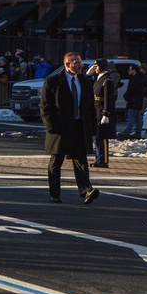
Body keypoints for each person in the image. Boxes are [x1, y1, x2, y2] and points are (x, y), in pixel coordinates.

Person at [39, 51, 100, 204]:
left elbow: (89, 106)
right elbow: (45, 107)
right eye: (77, 63)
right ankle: (55, 193)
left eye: (80, 63)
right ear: (67, 64)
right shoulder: (53, 81)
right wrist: (51, 127)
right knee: (56, 160)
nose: (80, 66)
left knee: (81, 159)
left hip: (79, 126)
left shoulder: (84, 81)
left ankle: (86, 190)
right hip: (60, 128)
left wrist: (93, 127)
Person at [89, 58, 115, 168]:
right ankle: (98, 158)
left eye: (96, 66)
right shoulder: (98, 78)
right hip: (96, 111)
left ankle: (103, 160)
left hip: (102, 111)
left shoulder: (107, 80)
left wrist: (106, 114)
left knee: (102, 137)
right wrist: (88, 74)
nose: (95, 69)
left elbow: (108, 99)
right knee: (97, 136)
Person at [122, 63, 146, 139]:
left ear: (134, 70)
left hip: (133, 101)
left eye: (130, 69)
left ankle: (127, 131)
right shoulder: (139, 78)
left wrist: (126, 96)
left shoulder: (135, 79)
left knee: (131, 116)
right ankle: (138, 131)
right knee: (137, 117)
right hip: (137, 101)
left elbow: (131, 90)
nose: (128, 71)